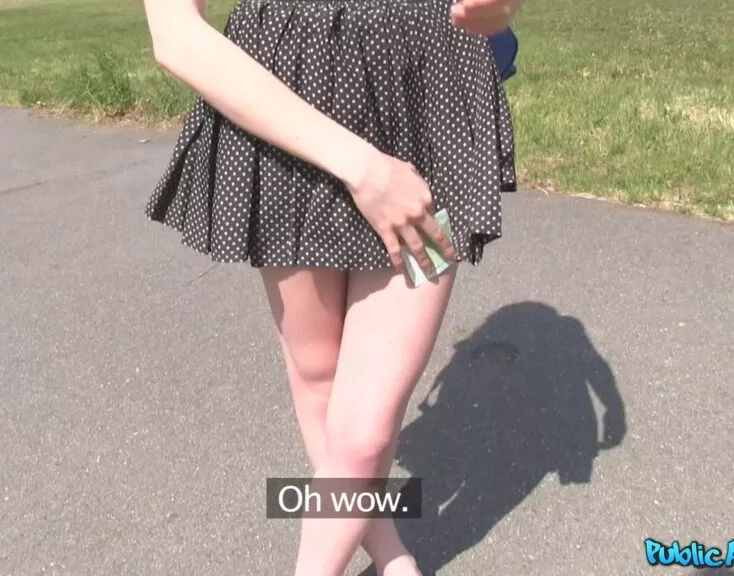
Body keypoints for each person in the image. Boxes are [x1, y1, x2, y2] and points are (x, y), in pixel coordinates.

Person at [141, 0, 521, 571]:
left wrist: (503, 8)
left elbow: (498, 12)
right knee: (319, 376)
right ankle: (389, 550)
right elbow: (175, 34)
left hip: (426, 111)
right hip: (285, 121)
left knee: (365, 432)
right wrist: (363, 169)